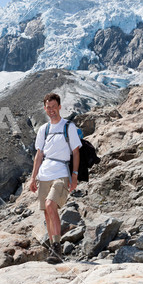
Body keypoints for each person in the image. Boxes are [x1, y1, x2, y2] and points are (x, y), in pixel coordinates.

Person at [28, 93, 81, 264]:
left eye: (54, 106)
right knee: (47, 213)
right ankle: (53, 249)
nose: (51, 110)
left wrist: (75, 176)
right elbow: (39, 154)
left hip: (61, 173)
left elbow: (75, 152)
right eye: (48, 107)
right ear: (45, 109)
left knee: (51, 205)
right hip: (44, 174)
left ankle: (57, 247)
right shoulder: (44, 129)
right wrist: (33, 177)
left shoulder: (69, 126)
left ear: (59, 107)